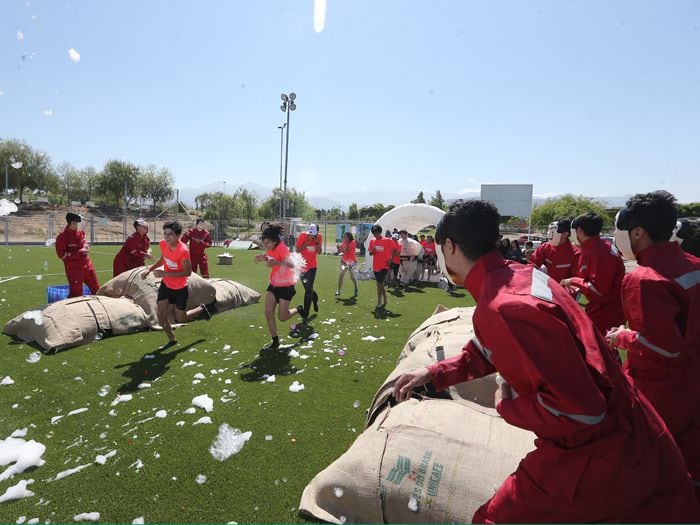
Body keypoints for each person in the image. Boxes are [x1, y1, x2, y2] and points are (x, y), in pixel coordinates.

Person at [392, 199, 699, 523]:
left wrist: (506, 404)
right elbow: (489, 348)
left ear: (449, 247)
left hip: (601, 454)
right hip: (638, 427)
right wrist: (435, 372)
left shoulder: (503, 306)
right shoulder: (524, 276)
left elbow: (582, 411)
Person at [606, 190, 700, 499]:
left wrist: (621, 336)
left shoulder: (644, 278)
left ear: (637, 232)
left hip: (663, 389)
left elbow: (664, 348)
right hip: (693, 383)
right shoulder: (693, 263)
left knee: (646, 462)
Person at [142, 221, 211, 351]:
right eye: (165, 234)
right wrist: (150, 269)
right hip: (166, 286)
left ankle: (201, 309)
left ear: (178, 235)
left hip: (180, 289)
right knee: (161, 314)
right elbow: (164, 259)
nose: (167, 237)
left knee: (181, 318)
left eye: (171, 234)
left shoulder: (183, 250)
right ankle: (172, 339)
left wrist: (165, 273)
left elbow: (188, 272)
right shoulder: (163, 244)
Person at [561, 212, 625, 334]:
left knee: (601, 349)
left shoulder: (599, 251)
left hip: (606, 312)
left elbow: (599, 289)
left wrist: (573, 281)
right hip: (601, 309)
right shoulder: (594, 247)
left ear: (579, 230)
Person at [254, 223, 305, 349]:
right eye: (264, 244)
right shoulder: (270, 247)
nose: (266, 246)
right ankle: (275, 341)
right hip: (274, 284)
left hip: (286, 286)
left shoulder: (281, 248)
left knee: (282, 317)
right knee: (268, 312)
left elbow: (291, 265)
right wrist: (265, 258)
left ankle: (298, 309)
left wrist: (274, 261)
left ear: (275, 241)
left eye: (267, 243)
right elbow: (271, 260)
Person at [55, 212, 100, 298]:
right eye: (81, 222)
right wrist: (80, 252)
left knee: (97, 290)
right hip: (74, 270)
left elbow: (83, 242)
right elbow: (62, 255)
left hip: (88, 266)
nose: (83, 225)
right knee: (76, 295)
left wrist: (86, 246)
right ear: (73, 223)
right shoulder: (62, 237)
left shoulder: (81, 232)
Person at [296, 224, 322, 321]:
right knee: (308, 288)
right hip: (302, 266)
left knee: (308, 290)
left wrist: (317, 243)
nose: (310, 236)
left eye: (313, 235)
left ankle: (305, 313)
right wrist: (306, 243)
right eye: (309, 234)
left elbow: (319, 252)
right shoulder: (303, 235)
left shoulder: (319, 237)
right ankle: (315, 299)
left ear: (316, 234)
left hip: (312, 267)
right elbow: (297, 250)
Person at [368, 224, 398, 309]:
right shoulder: (372, 241)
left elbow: (396, 250)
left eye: (376, 233)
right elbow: (370, 253)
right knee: (380, 283)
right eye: (374, 233)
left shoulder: (387, 240)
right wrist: (372, 251)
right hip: (375, 265)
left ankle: (379, 301)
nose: (375, 235)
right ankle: (385, 297)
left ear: (380, 232)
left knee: (378, 283)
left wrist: (391, 259)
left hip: (384, 265)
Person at [336, 232, 358, 297]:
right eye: (344, 237)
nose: (344, 238)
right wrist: (338, 249)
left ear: (349, 237)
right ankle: (338, 291)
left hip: (352, 262)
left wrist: (341, 249)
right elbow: (341, 252)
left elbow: (346, 251)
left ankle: (356, 287)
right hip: (344, 261)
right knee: (341, 275)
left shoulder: (353, 242)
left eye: (346, 237)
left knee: (352, 277)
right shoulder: (344, 242)